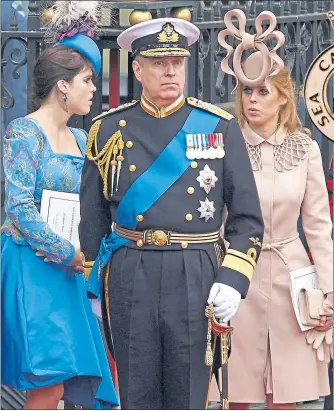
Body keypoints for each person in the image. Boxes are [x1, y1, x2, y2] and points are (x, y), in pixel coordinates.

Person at [79, 13, 264, 410]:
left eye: (177, 63)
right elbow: (92, 216)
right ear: (138, 69)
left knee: (187, 392)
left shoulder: (218, 126)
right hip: (131, 271)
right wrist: (91, 288)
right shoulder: (109, 129)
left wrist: (233, 278)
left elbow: (248, 218)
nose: (170, 73)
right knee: (137, 390)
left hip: (194, 271)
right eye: (160, 64)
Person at [1, 2, 118, 409]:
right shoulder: (24, 132)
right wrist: (67, 252)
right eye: (88, 80)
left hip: (71, 273)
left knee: (75, 383)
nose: (93, 89)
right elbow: (18, 207)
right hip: (33, 268)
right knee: (47, 383)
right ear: (62, 85)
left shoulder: (85, 141)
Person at [217, 9, 333, 410]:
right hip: (237, 279)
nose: (252, 100)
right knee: (237, 392)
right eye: (246, 92)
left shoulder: (304, 149)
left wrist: (330, 291)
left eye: (263, 91)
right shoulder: (225, 145)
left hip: (293, 283)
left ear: (284, 96)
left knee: (284, 394)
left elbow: (318, 227)